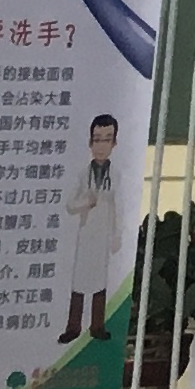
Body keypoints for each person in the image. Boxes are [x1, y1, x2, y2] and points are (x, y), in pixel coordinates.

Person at [61, 114, 122, 343]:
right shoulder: (82, 174)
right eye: (97, 139)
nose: (101, 145)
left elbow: (118, 207)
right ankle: (73, 327)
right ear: (90, 142)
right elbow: (70, 205)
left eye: (107, 139)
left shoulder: (116, 175)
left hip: (103, 235)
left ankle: (97, 326)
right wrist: (86, 202)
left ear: (114, 143)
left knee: (100, 281)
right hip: (86, 233)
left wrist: (117, 235)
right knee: (79, 282)